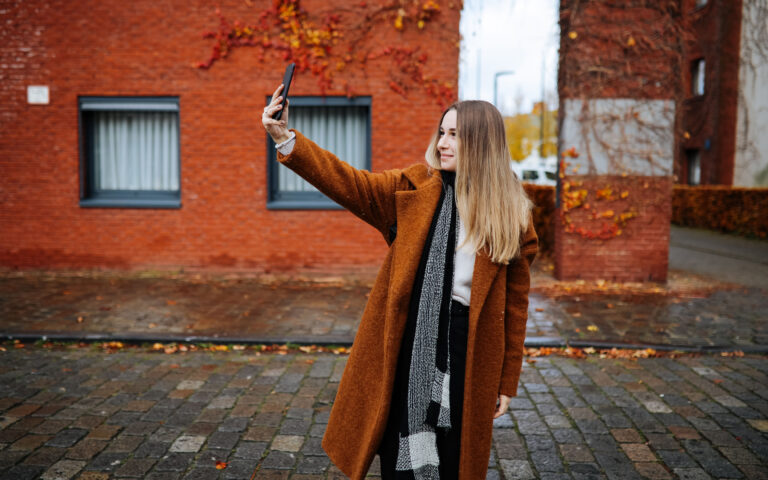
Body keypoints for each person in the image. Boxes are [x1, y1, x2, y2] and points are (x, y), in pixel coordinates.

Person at [262, 84, 538, 480]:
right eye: (442, 132)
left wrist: (506, 381)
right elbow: (348, 182)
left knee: (456, 454)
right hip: (408, 341)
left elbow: (515, 307)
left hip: (471, 348)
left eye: (455, 135)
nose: (443, 143)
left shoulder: (511, 217)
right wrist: (287, 139)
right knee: (400, 452)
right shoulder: (411, 190)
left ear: (483, 144)